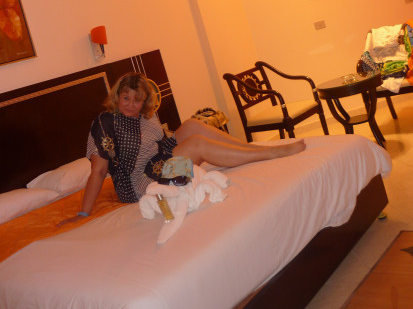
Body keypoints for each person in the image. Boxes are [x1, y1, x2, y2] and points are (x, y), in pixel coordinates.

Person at [59, 72, 305, 225]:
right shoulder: (105, 123)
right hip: (141, 183)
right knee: (196, 145)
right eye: (126, 99)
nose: (131, 105)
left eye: (137, 100)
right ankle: (268, 153)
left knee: (191, 125)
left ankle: (252, 148)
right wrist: (83, 214)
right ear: (117, 97)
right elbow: (98, 171)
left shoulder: (146, 115)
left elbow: (161, 141)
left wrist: (176, 139)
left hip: (158, 160)